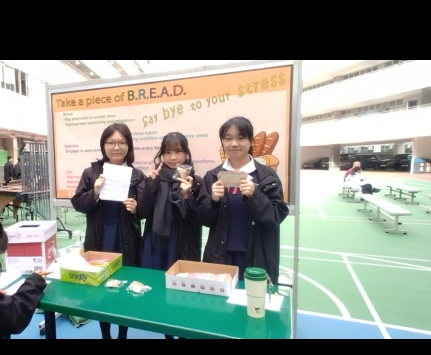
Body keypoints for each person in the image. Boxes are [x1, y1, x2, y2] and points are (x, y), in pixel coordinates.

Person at [71, 123, 145, 339]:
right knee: (100, 285)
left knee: (125, 284)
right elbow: (78, 203)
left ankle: (122, 334)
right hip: (100, 236)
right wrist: (94, 192)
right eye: (111, 142)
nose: (116, 147)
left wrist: (137, 208)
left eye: (121, 142)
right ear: (103, 145)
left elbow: (146, 209)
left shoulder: (137, 175)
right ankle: (105, 334)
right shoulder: (91, 173)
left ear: (129, 145)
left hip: (126, 237)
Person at [196, 117, 289, 284]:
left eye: (240, 138)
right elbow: (203, 219)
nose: (234, 143)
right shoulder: (212, 176)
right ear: (222, 142)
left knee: (252, 298)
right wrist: (213, 201)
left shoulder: (267, 176)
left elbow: (275, 218)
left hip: (256, 256)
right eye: (228, 138)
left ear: (251, 141)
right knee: (220, 298)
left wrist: (255, 196)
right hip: (220, 256)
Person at [137, 131, 204, 340]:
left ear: (186, 154)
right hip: (157, 242)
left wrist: (187, 194)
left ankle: (182, 331)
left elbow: (199, 217)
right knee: (159, 289)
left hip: (182, 242)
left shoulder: (196, 181)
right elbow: (142, 212)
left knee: (183, 290)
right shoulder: (155, 179)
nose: (173, 157)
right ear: (162, 155)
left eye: (178, 151)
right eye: (167, 152)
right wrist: (151, 184)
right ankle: (166, 332)